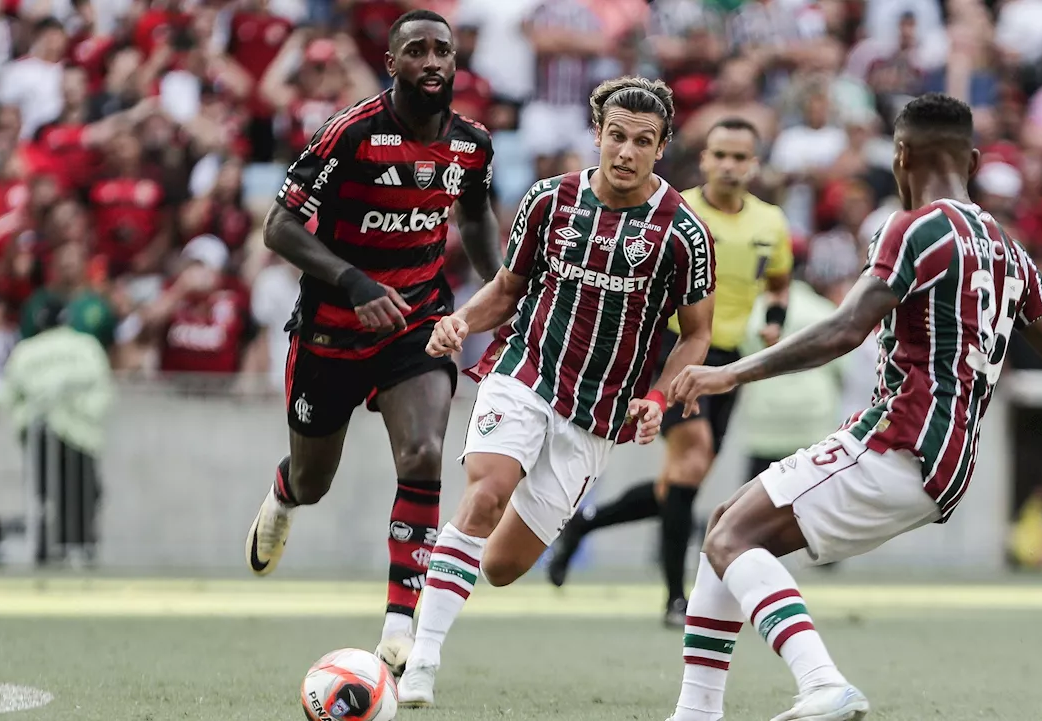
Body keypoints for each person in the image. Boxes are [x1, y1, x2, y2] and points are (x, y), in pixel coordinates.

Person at [663, 93, 1042, 721]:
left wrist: (732, 372)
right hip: (949, 462)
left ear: (901, 155)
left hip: (899, 439)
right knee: (728, 528)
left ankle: (822, 683)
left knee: (729, 535)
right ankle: (696, 714)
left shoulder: (915, 228)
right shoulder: (1007, 248)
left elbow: (843, 330)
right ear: (975, 160)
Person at [395, 76, 717, 708]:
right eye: (615, 136)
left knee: (503, 565)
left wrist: (655, 398)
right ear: (596, 136)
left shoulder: (683, 233)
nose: (625, 151)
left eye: (642, 141)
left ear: (662, 147)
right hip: (525, 371)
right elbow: (509, 289)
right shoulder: (549, 201)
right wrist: (462, 320)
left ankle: (452, 589)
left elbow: (696, 333)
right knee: (485, 493)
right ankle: (420, 660)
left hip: (597, 413)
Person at [242, 8, 501, 678]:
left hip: (419, 319)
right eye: (416, 50)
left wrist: (503, 287)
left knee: (422, 452)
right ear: (392, 64)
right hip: (333, 325)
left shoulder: (471, 145)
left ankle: (396, 623)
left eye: (442, 50)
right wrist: (355, 284)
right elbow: (278, 227)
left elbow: (473, 212)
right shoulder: (350, 133)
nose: (432, 62)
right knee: (314, 478)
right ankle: (284, 493)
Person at [547, 117, 793, 627]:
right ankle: (676, 598)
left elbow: (778, 283)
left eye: (739, 157)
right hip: (673, 349)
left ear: (755, 164)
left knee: (680, 482)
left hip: (729, 363)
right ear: (702, 159)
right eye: (718, 154)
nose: (728, 165)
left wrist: (773, 322)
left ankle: (586, 522)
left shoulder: (771, 223)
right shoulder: (674, 211)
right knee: (693, 458)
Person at [0, 296, 112, 566]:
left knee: (45, 495)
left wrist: (24, 425)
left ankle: (48, 549)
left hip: (39, 434)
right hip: (80, 434)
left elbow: (8, 399)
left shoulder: (26, 350)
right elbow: (103, 388)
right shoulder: (86, 346)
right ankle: (81, 548)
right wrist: (89, 417)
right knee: (83, 492)